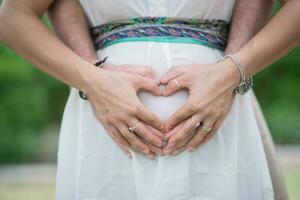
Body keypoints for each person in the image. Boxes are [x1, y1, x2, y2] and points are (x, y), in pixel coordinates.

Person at [0, 0, 299, 199]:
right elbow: (13, 18)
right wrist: (92, 80)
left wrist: (231, 73)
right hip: (105, 126)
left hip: (221, 117)